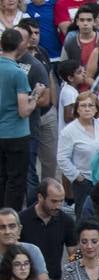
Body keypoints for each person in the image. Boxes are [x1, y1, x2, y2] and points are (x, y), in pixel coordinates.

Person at [0, 28, 45, 213]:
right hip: (16, 134)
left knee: (2, 178)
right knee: (16, 181)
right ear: (20, 45)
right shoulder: (18, 73)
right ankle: (10, 219)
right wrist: (36, 95)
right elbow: (23, 110)